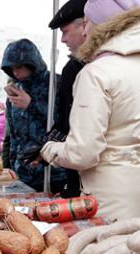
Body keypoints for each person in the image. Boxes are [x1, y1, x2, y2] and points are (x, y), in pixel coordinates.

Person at [41, 0, 140, 222]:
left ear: (102, 24)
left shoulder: (96, 73)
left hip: (110, 198)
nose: (85, 29)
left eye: (87, 22)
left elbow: (83, 153)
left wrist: (50, 149)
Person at [1, 38, 66, 192]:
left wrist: (31, 105)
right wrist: (11, 166)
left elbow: (65, 125)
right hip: (23, 174)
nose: (15, 72)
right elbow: (13, 135)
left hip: (54, 172)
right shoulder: (15, 91)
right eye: (11, 68)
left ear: (31, 63)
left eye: (19, 67)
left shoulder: (56, 84)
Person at [47, 0, 87, 198]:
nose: (62, 40)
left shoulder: (100, 70)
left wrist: (47, 149)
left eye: (65, 31)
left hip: (95, 179)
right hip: (75, 175)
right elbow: (64, 119)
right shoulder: (71, 69)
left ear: (85, 26)